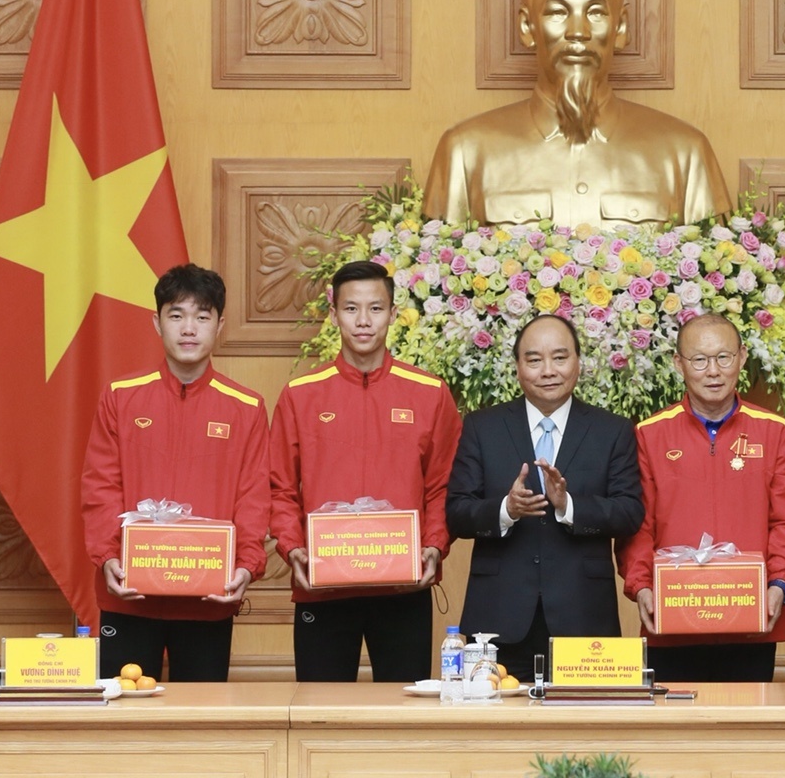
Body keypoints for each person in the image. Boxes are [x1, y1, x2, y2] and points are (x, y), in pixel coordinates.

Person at [424, 0, 732, 229]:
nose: (578, 32)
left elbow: (717, 263)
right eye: (557, 12)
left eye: (596, 12)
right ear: (527, 26)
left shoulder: (685, 154)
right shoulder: (465, 152)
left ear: (620, 27)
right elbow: (435, 260)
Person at [268, 260, 462, 682]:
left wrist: (434, 545)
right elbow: (279, 488)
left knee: (403, 710)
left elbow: (443, 485)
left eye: (375, 308)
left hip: (403, 586)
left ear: (393, 313)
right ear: (333, 314)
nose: (363, 321)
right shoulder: (300, 395)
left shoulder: (429, 393)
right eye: (351, 308)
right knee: (319, 710)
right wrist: (293, 548)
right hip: (322, 586)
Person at [80, 264, 270, 681]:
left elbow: (254, 497)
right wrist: (108, 556)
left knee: (201, 715)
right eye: (176, 315)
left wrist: (246, 564)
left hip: (208, 599)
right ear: (157, 323)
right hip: (129, 594)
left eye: (202, 316)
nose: (188, 328)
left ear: (219, 326)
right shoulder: (121, 397)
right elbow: (101, 486)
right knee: (125, 711)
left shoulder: (246, 408)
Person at [446, 314, 643, 681]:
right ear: (518, 367)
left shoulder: (612, 430)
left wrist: (568, 506)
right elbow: (457, 512)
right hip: (498, 619)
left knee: (586, 719)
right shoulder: (482, 427)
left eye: (560, 357)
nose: (548, 370)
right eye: (534, 360)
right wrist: (506, 509)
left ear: (578, 362)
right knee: (497, 716)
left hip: (584, 620)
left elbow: (629, 512)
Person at [618, 314, 785, 682]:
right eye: (699, 360)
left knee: (747, 718)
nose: (713, 371)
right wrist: (641, 586)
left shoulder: (775, 431)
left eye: (724, 357)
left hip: (752, 618)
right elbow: (637, 525)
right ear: (679, 364)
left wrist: (779, 583)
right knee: (676, 718)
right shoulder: (649, 435)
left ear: (742, 358)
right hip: (672, 617)